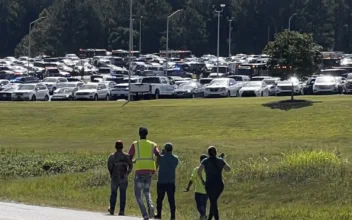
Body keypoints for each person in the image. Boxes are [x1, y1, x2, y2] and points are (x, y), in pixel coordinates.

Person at [129, 127, 161, 220]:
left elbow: (129, 157)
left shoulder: (135, 144)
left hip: (139, 170)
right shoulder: (153, 144)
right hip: (149, 170)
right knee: (146, 191)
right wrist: (156, 166)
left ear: (139, 134)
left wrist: (133, 161)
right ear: (147, 134)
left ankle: (145, 214)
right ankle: (151, 207)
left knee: (138, 194)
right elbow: (158, 155)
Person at [198, 146, 231, 220]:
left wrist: (202, 181)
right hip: (219, 185)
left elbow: (199, 171)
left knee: (213, 201)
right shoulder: (220, 160)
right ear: (216, 152)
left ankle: (215, 218)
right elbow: (228, 169)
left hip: (209, 185)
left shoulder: (205, 161)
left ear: (208, 153)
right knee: (213, 201)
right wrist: (222, 160)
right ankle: (210, 218)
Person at [107, 140, 133, 216]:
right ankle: (122, 210)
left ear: (115, 147)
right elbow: (131, 166)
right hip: (124, 177)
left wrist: (112, 173)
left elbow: (109, 167)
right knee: (123, 194)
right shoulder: (127, 156)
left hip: (115, 177)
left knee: (113, 193)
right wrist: (127, 173)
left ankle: (112, 209)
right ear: (122, 147)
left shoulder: (112, 156)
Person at [154, 143, 179, 220]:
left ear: (165, 149)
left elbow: (156, 166)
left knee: (159, 199)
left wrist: (161, 155)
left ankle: (159, 214)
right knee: (171, 200)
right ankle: (172, 216)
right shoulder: (175, 158)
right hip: (171, 182)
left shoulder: (161, 158)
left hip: (161, 181)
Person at [185, 154, 208, 220]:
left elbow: (191, 180)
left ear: (200, 160)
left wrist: (188, 187)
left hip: (198, 191)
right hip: (207, 192)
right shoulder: (209, 170)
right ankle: (203, 217)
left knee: (199, 206)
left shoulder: (196, 169)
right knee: (204, 206)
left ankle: (203, 215)